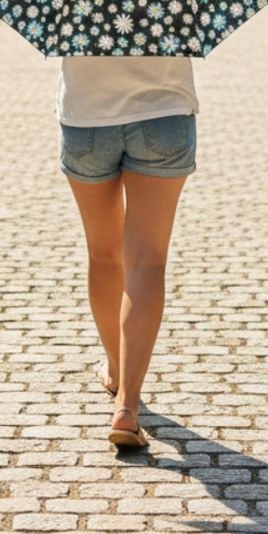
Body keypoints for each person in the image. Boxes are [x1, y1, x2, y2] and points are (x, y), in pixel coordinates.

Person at [57, 56, 198, 448]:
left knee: (103, 255)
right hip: (164, 111)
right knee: (147, 259)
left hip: (87, 115)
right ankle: (127, 405)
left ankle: (116, 368)